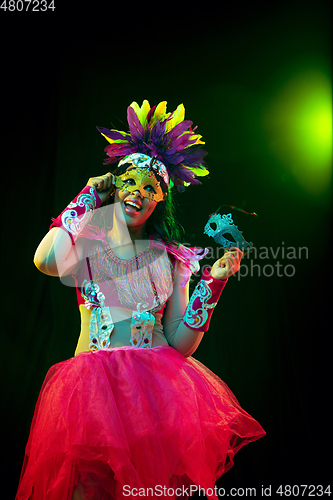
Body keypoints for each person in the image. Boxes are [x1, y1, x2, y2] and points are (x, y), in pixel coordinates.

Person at [16, 100, 266, 500]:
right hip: (92, 397)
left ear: (161, 198)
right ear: (115, 184)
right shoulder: (88, 241)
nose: (138, 192)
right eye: (129, 181)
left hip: (154, 398)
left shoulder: (174, 257)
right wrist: (87, 195)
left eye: (150, 187)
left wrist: (212, 284)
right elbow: (44, 260)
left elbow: (180, 342)